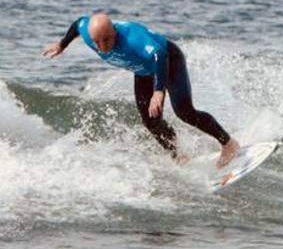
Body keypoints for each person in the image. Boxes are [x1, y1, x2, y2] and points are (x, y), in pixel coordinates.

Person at [42, 12, 239, 167]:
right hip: (142, 69)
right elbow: (78, 23)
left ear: (115, 33)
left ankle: (229, 144)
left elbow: (159, 55)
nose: (102, 47)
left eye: (107, 41)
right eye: (97, 42)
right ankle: (178, 156)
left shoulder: (133, 39)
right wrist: (62, 44)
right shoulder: (88, 31)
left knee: (184, 111)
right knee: (150, 120)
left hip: (168, 60)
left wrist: (159, 90)